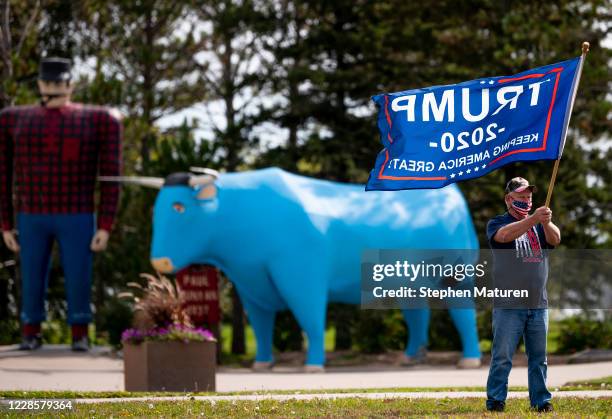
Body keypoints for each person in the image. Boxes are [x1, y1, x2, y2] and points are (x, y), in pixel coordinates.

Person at [0, 57, 122, 351]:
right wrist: (5, 222)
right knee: (30, 273)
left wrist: (105, 223)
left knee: (80, 273)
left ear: (70, 85)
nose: (53, 88)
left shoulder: (99, 119)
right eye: (49, 82)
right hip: (31, 213)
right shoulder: (12, 119)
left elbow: (110, 176)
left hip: (77, 212)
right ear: (40, 84)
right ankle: (30, 330)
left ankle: (80, 331)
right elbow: (2, 174)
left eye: (59, 83)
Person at [485, 177, 561, 412]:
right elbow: (504, 236)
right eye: (521, 197)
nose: (526, 200)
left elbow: (556, 239)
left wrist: (546, 222)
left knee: (539, 358)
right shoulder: (497, 223)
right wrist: (533, 219)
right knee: (502, 357)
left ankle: (541, 401)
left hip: (538, 304)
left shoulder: (539, 224)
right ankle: (496, 400)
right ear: (509, 199)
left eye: (529, 197)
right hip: (509, 304)